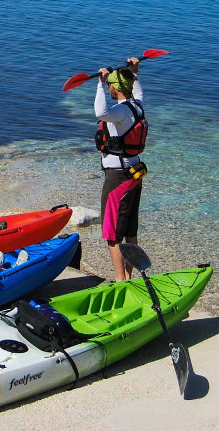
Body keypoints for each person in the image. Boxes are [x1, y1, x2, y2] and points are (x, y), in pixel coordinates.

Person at [95, 57, 146, 281]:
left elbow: (100, 112)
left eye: (109, 86)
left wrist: (99, 83)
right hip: (134, 175)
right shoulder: (137, 106)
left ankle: (120, 281)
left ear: (114, 87)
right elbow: (137, 90)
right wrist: (134, 72)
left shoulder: (121, 112)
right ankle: (127, 277)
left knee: (112, 234)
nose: (108, 89)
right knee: (130, 232)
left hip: (118, 178)